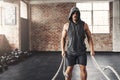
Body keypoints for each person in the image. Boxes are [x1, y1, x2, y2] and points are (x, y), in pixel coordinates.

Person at [61, 6, 95, 80]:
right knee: (69, 70)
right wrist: (63, 50)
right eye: (73, 13)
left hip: (81, 52)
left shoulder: (84, 25)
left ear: (79, 15)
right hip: (70, 52)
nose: (75, 15)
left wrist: (92, 50)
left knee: (83, 69)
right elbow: (63, 38)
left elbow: (90, 38)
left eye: (77, 13)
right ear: (71, 14)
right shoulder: (66, 25)